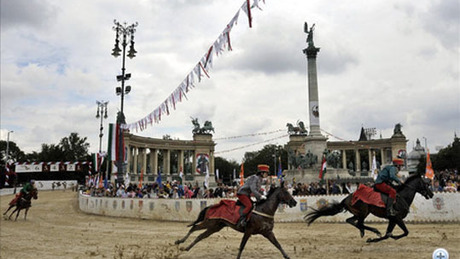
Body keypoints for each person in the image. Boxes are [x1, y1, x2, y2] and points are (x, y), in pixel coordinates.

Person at [236, 164, 269, 228]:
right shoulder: (255, 178)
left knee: (253, 205)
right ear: (261, 173)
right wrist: (260, 196)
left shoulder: (260, 179)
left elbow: (259, 190)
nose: (267, 174)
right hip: (242, 193)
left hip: (246, 194)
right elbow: (253, 189)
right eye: (266, 173)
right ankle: (241, 220)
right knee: (249, 206)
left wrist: (263, 195)